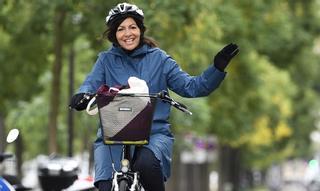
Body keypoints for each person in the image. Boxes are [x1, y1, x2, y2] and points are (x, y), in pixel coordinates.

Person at [69, 2, 239, 191]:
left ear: (140, 30)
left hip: (153, 134)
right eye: (121, 29)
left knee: (146, 165)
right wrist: (81, 96)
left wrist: (217, 68)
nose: (128, 33)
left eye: (132, 27)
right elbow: (90, 84)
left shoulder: (160, 59)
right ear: (114, 35)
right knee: (105, 184)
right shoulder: (105, 60)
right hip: (113, 136)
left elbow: (192, 87)